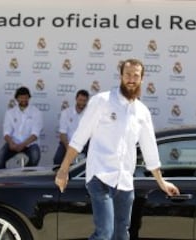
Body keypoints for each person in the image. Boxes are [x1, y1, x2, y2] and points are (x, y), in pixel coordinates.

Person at [55, 58, 180, 239]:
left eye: (135, 75)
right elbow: (79, 137)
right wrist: (63, 169)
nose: (131, 79)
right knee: (105, 232)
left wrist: (162, 183)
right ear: (121, 76)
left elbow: (150, 150)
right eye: (127, 74)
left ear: (142, 79)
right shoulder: (102, 101)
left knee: (121, 235)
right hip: (100, 176)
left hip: (125, 182)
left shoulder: (142, 112)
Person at [0, 86, 43, 169]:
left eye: (26, 97)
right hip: (13, 143)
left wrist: (23, 145)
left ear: (29, 98)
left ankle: (24, 176)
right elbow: (6, 132)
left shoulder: (36, 112)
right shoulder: (10, 112)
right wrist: (10, 143)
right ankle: (3, 180)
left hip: (30, 144)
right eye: (21, 98)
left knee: (35, 157)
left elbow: (35, 134)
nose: (24, 100)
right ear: (16, 99)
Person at [53, 89, 89, 165]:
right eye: (80, 100)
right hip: (68, 143)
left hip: (85, 144)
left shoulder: (90, 114)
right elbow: (62, 134)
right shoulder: (66, 113)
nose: (82, 103)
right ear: (76, 99)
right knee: (57, 160)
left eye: (84, 100)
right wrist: (69, 148)